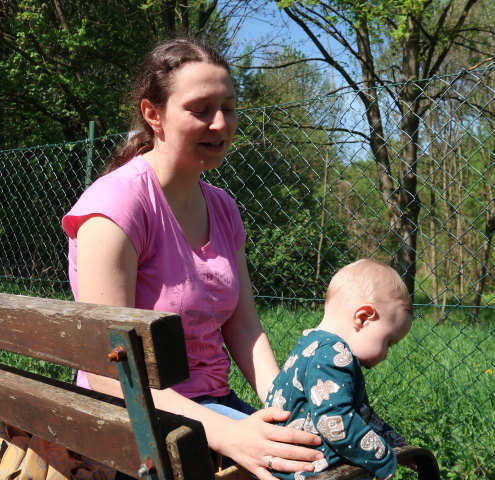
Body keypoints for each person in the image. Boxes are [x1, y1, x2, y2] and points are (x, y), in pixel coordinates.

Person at [61, 37, 323, 480]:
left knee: (321, 449)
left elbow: (243, 328)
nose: (220, 124)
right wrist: (228, 433)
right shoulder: (117, 206)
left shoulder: (223, 207)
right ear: (153, 114)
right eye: (201, 109)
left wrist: (284, 405)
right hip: (132, 417)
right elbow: (109, 372)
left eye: (229, 107)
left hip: (207, 411)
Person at [264, 259, 413, 480]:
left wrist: (397, 444)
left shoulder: (309, 344)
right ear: (363, 318)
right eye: (388, 342)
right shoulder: (333, 354)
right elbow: (335, 422)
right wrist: (383, 459)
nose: (385, 355)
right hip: (310, 471)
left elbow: (361, 414)